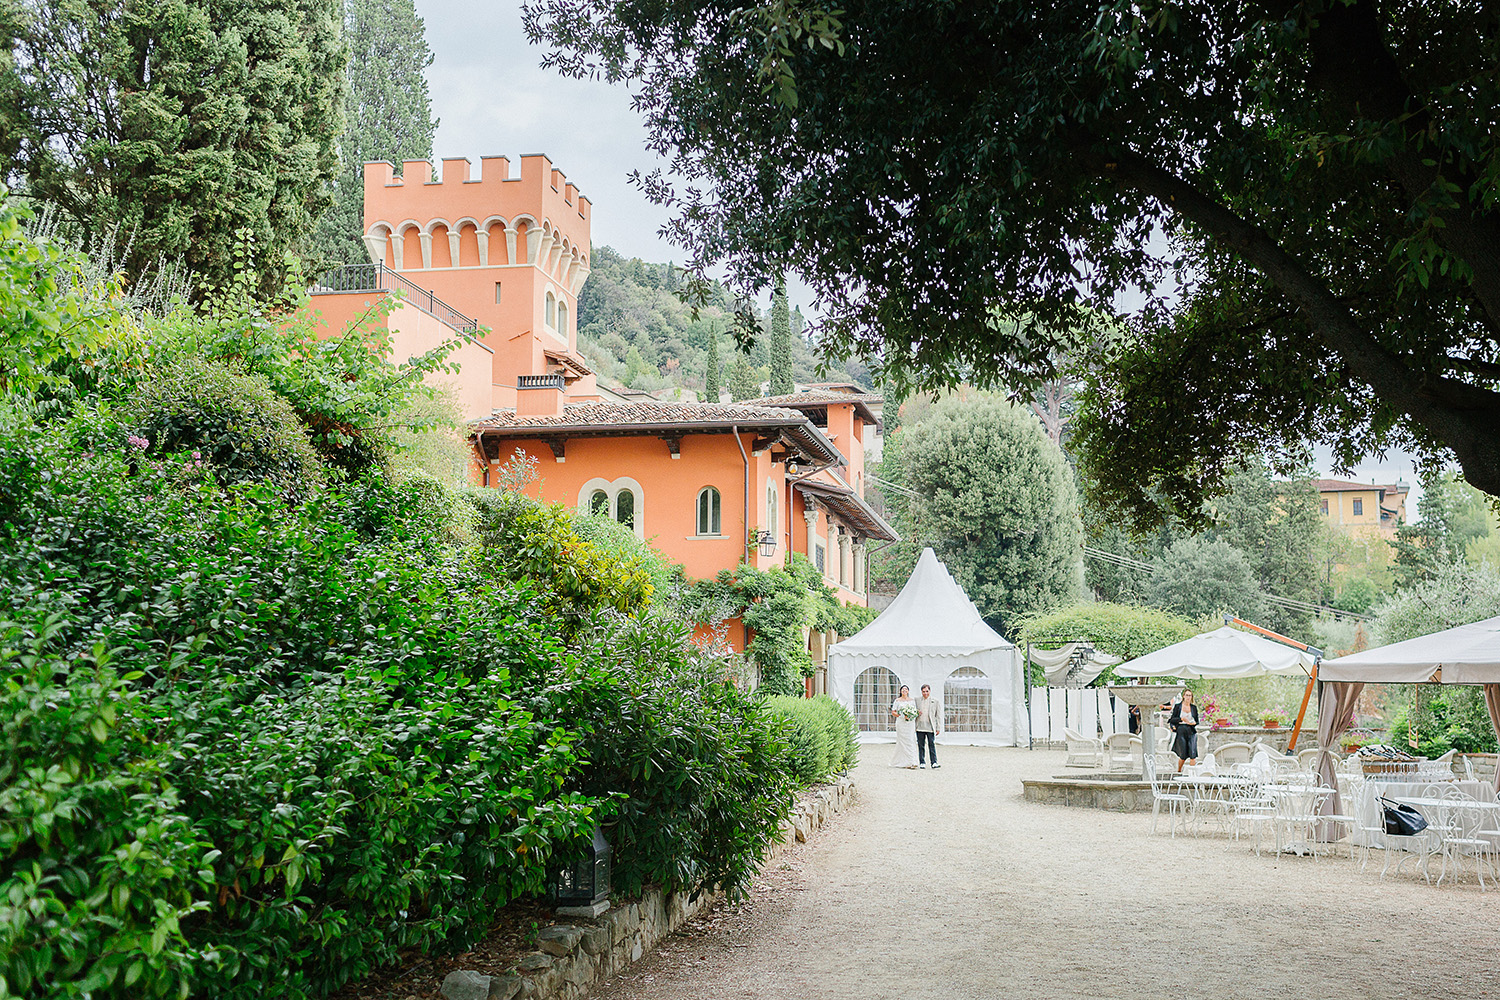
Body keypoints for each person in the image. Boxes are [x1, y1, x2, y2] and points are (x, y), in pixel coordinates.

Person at [1168, 689, 1201, 773]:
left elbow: (1197, 721)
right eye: (1187, 695)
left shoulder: (1193, 708)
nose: (1188, 697)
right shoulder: (1178, 706)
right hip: (1181, 730)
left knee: (1193, 753)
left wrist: (1193, 723)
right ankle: (1179, 771)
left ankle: (1192, 774)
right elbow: (1172, 719)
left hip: (1191, 731)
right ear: (1183, 696)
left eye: (1190, 695)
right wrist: (1181, 719)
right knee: (1183, 754)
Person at [889, 685, 919, 769]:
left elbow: (915, 711)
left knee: (910, 740)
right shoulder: (897, 701)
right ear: (900, 691)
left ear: (908, 691)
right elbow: (893, 712)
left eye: (906, 689)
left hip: (910, 723)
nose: (904, 691)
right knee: (902, 741)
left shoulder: (912, 701)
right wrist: (901, 715)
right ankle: (903, 762)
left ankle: (912, 761)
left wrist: (911, 715)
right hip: (901, 722)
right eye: (903, 689)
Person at [915, 683, 942, 769]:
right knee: (920, 745)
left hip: (930, 726)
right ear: (921, 692)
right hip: (920, 726)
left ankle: (934, 762)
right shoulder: (917, 700)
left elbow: (938, 715)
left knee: (931, 744)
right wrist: (916, 712)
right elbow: (913, 711)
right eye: (923, 691)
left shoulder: (935, 701)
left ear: (930, 691)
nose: (925, 693)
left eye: (927, 691)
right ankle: (922, 762)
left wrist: (938, 727)